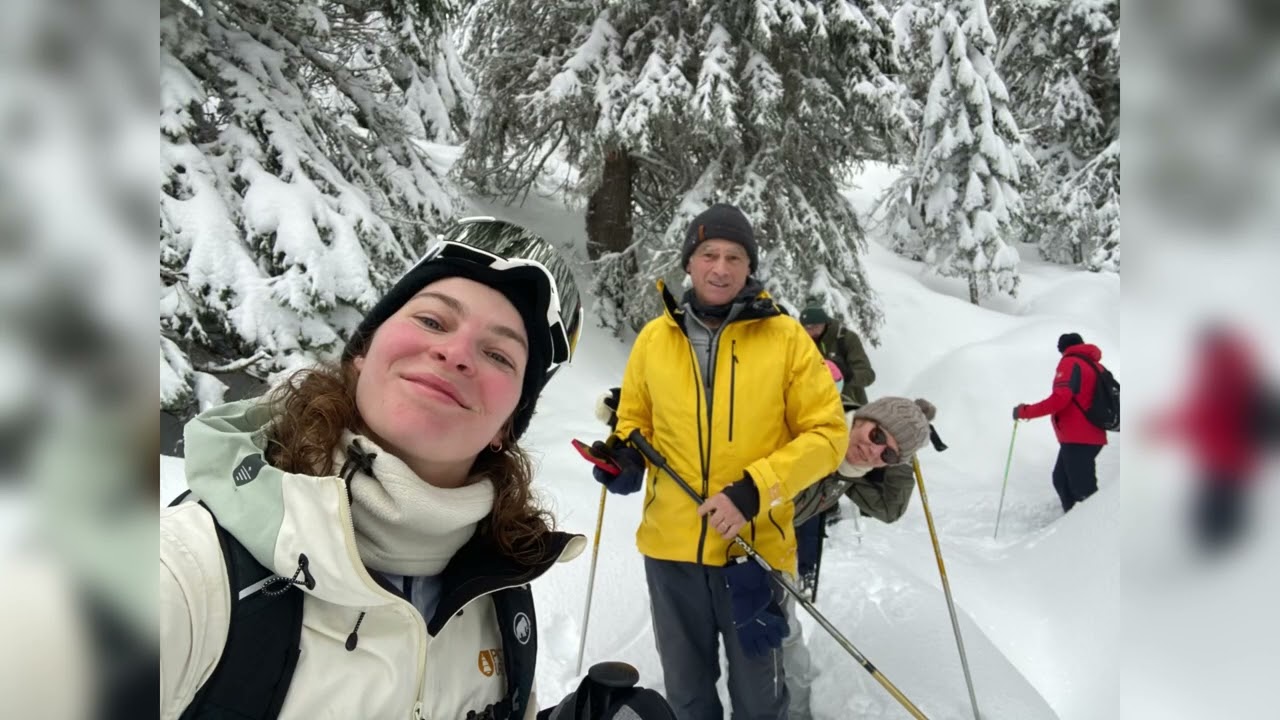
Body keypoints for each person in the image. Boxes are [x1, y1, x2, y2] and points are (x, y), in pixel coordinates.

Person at [161, 218, 601, 720]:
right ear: (361, 356)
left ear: (506, 426)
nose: (455, 354)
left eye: (499, 354)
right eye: (433, 321)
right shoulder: (187, 572)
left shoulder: (498, 590)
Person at [590, 203, 848, 720]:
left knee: (759, 701)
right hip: (671, 553)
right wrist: (624, 462)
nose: (721, 268)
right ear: (689, 262)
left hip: (754, 551)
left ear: (750, 267)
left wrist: (753, 491)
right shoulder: (654, 340)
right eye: (709, 254)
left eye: (735, 256)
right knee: (687, 696)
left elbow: (828, 436)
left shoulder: (786, 339)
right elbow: (635, 423)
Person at [783, 397, 938, 720]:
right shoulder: (815, 422)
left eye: (888, 453)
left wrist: (903, 458)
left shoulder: (855, 467)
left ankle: (794, 713)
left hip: (771, 552)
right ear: (865, 417)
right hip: (726, 535)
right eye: (877, 436)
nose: (874, 450)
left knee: (782, 640)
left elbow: (888, 509)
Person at [1013, 332, 1110, 513]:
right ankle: (1072, 523)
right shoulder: (1095, 365)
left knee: (1082, 490)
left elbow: (1060, 399)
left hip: (1078, 436)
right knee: (1062, 480)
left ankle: (1092, 528)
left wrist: (1025, 411)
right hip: (1088, 435)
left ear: (1063, 348)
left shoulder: (1070, 363)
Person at [798, 304, 876, 406]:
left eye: (815, 326)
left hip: (849, 406)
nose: (810, 331)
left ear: (825, 323)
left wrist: (847, 374)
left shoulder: (846, 339)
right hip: (816, 408)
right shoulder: (801, 343)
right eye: (806, 328)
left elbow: (868, 375)